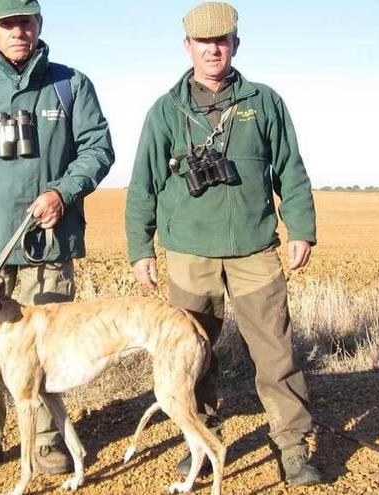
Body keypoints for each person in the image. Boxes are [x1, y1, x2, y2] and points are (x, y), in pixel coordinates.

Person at [124, 1, 322, 487]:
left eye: (222, 40)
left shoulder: (265, 102)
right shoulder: (166, 110)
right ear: (187, 46)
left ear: (236, 43)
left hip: (256, 249)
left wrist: (300, 228)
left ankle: (292, 446)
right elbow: (142, 185)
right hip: (190, 254)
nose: (213, 49)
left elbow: (290, 170)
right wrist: (140, 249)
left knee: (275, 352)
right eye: (203, 41)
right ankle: (201, 437)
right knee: (192, 354)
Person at [0, 0, 114, 478]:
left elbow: (99, 149)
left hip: (47, 242)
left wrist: (63, 192)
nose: (18, 31)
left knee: (49, 344)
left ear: (39, 24)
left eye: (25, 22)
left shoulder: (70, 84)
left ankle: (49, 442)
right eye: (8, 23)